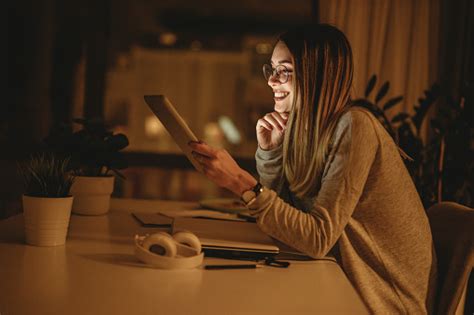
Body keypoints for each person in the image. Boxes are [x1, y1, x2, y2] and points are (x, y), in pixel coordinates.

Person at [188, 23, 437, 314]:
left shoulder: (356, 127)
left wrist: (242, 183)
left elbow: (317, 238)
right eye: (271, 69)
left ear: (317, 76)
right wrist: (271, 154)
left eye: (285, 71)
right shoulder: (305, 133)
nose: (272, 81)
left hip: (383, 302)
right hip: (341, 282)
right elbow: (285, 231)